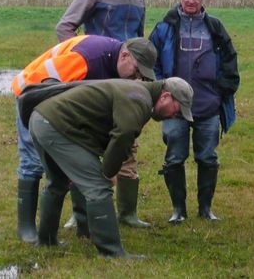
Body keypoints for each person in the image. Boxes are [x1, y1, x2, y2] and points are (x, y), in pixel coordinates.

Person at [25, 78, 194, 258]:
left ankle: (46, 241)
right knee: (98, 186)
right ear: (166, 96)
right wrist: (108, 172)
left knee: (57, 182)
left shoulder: (137, 91)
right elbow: (123, 134)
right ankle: (111, 252)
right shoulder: (140, 98)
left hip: (42, 119)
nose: (175, 116)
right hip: (56, 126)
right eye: (177, 110)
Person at [13, 35, 157, 243]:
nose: (136, 78)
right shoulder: (87, 58)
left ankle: (84, 226)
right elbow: (49, 86)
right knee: (33, 162)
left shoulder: (116, 62)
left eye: (141, 76)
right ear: (125, 56)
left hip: (62, 108)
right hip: (32, 95)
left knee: (79, 158)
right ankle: (26, 228)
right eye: (136, 71)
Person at [55, 0, 154, 229]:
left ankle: (127, 213)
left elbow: (139, 38)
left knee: (127, 141)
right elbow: (65, 27)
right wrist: (81, 61)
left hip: (128, 83)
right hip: (95, 81)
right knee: (86, 144)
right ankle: (81, 213)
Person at [149, 0, 240, 224]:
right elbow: (150, 62)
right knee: (174, 157)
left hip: (207, 106)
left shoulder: (215, 27)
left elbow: (231, 63)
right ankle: (178, 210)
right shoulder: (164, 27)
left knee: (208, 157)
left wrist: (221, 91)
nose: (191, 0)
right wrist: (160, 91)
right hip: (174, 108)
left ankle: (205, 209)